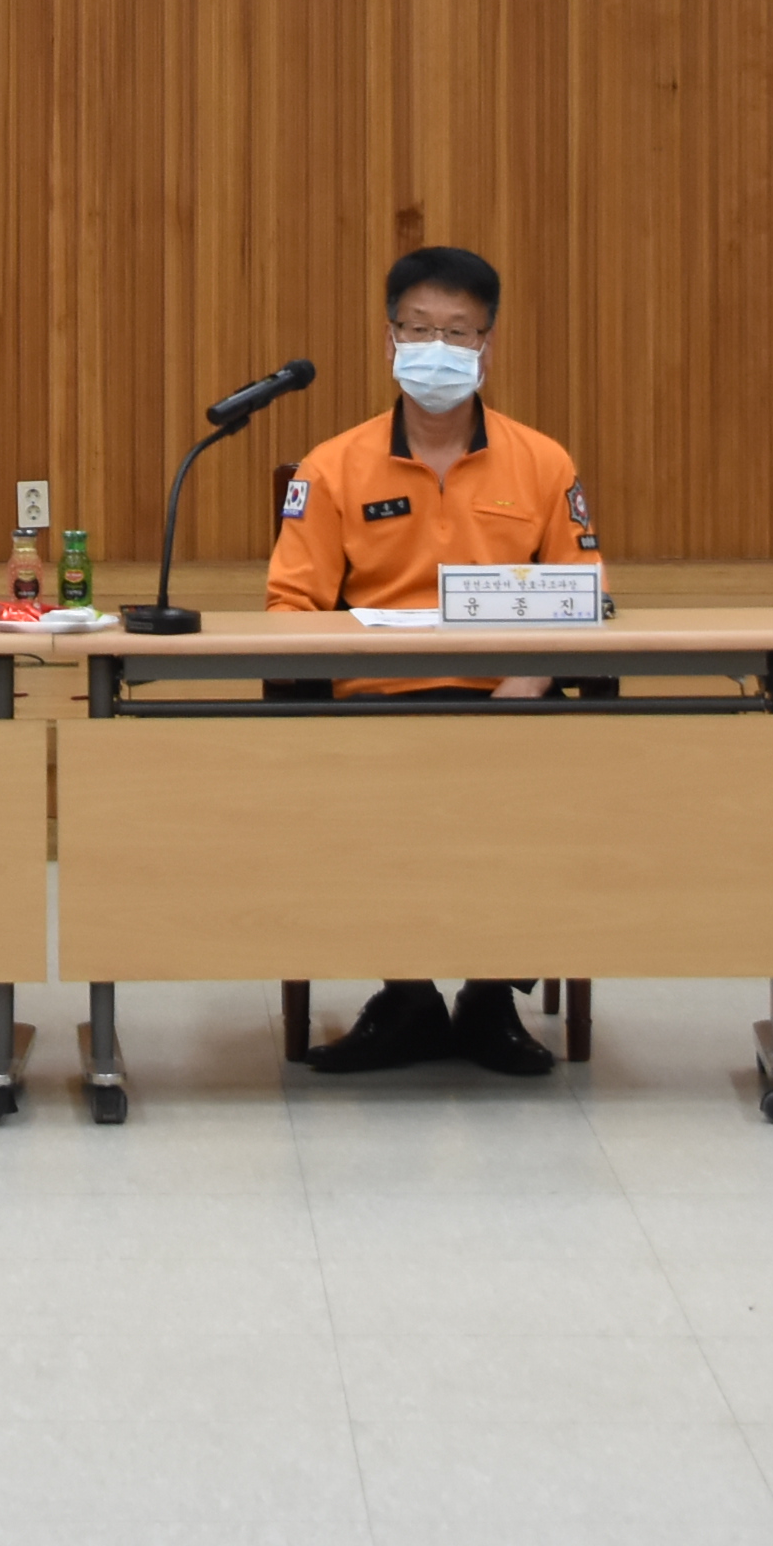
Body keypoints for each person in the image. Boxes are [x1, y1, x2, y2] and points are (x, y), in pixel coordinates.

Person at [266, 244, 598, 1079]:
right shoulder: (332, 466)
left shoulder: (543, 462)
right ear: (390, 340)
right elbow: (291, 606)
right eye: (419, 329)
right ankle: (407, 998)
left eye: (457, 332)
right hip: (377, 702)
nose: (437, 349)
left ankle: (490, 997)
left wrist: (527, 684)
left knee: (547, 779)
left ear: (488, 345)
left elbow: (582, 593)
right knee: (354, 786)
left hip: (508, 696)